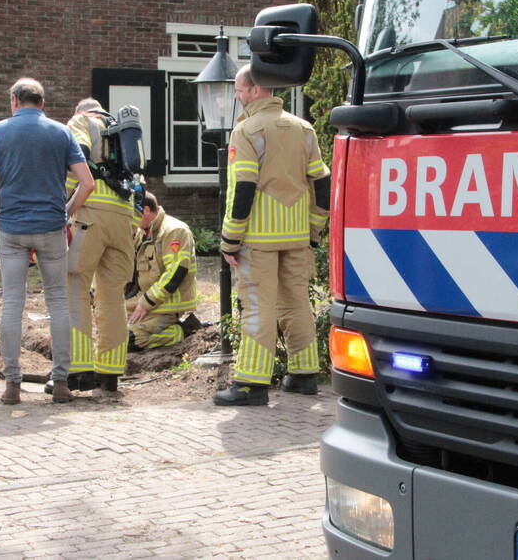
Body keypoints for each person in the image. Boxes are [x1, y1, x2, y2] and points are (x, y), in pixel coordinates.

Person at [213, 65, 331, 407]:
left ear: (253, 91)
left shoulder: (246, 131)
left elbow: (244, 188)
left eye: (238, 91)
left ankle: (251, 384)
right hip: (296, 236)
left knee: (257, 307)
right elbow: (321, 184)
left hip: (258, 240)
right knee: (296, 302)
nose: (237, 97)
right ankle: (304, 376)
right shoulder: (304, 128)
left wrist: (230, 239)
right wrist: (314, 229)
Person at [0, 78, 94, 405]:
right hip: (51, 227)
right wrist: (67, 211)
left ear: (14, 101)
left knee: (13, 301)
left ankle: (12, 384)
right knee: (58, 301)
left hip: (11, 227)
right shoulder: (61, 132)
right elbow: (87, 183)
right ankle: (60, 384)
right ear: (41, 103)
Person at [59, 97, 137, 400]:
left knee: (75, 285)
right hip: (122, 217)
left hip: (90, 212)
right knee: (112, 295)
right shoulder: (122, 131)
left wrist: (64, 204)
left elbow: (78, 158)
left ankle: (79, 370)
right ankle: (111, 373)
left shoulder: (81, 122)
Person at [127, 192, 197, 350]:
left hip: (167, 304)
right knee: (110, 325)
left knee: (130, 340)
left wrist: (146, 303)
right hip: (148, 300)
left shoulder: (175, 231)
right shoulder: (142, 232)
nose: (130, 219)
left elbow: (176, 272)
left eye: (132, 213)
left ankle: (183, 330)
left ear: (145, 210)